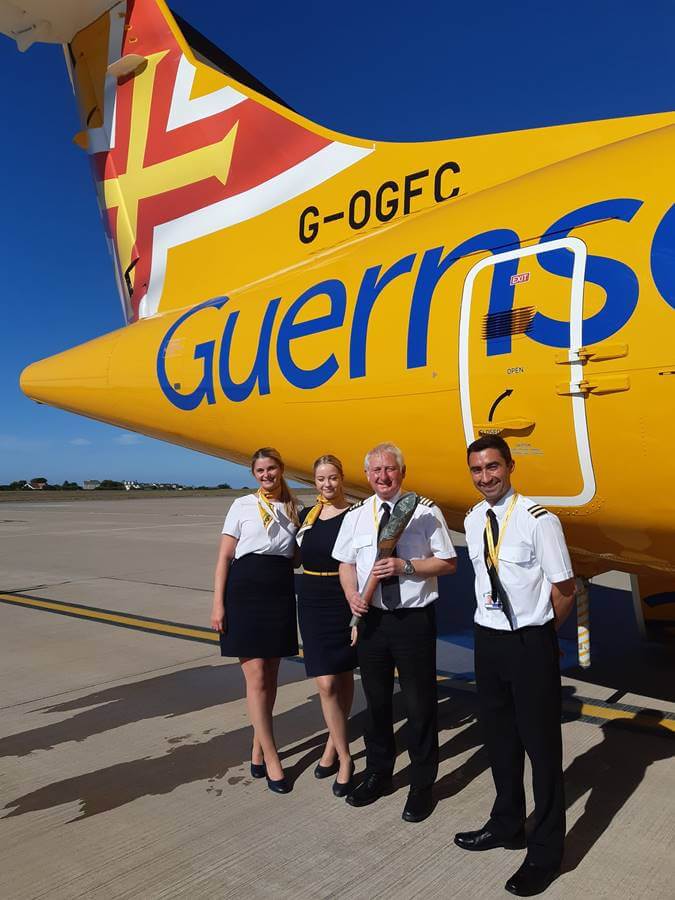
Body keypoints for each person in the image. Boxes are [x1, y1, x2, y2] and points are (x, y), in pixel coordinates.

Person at [456, 434, 576, 897]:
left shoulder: (537, 520)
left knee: (542, 752)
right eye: (477, 470)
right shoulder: (471, 519)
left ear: (510, 466)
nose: (485, 477)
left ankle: (546, 852)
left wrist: (542, 636)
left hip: (529, 643)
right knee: (499, 741)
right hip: (487, 641)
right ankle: (506, 823)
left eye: (493, 467)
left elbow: (563, 588)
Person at [333, 442, 457, 822]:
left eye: (389, 470)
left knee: (420, 706)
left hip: (412, 621)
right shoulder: (357, 514)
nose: (382, 477)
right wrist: (352, 594)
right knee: (377, 704)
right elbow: (346, 564)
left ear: (402, 473)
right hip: (373, 621)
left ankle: (422, 785)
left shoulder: (425, 511)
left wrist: (406, 567)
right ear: (367, 476)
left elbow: (448, 563)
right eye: (375, 471)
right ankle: (379, 773)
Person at [210, 447, 300, 795]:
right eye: (260, 470)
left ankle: (257, 746)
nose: (267, 475)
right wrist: (218, 604)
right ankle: (273, 756)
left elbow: (294, 558)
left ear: (281, 469)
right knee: (257, 676)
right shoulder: (241, 506)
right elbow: (224, 557)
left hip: (278, 590)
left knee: (272, 676)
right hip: (244, 591)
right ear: (254, 474)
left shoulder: (292, 508)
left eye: (272, 469)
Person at [296, 454, 357, 797]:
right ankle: (346, 754)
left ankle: (336, 749)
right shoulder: (308, 516)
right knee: (325, 682)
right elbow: (293, 554)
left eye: (332, 478)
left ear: (342, 478)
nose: (327, 485)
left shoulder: (354, 515)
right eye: (321, 479)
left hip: (342, 594)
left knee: (344, 673)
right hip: (312, 597)